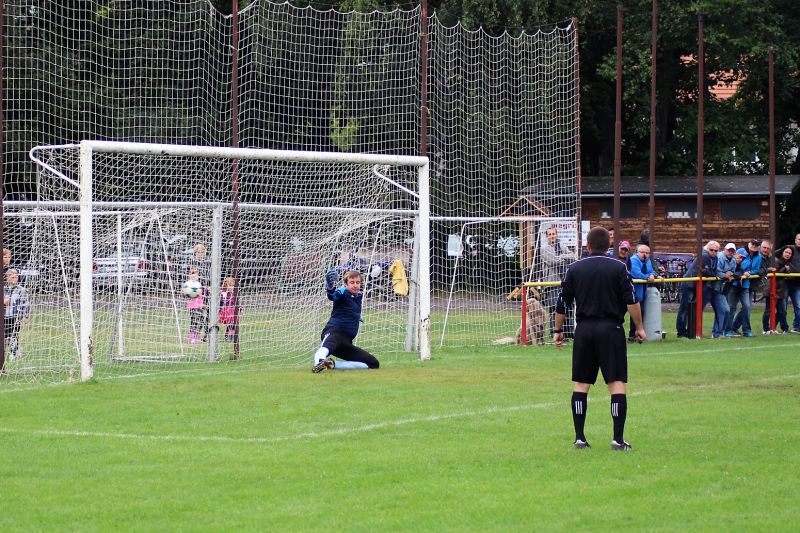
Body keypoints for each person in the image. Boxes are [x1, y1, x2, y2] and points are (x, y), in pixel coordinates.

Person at [554, 226, 645, 451]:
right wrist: (639, 328)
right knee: (616, 383)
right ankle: (617, 439)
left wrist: (557, 331)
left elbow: (562, 303)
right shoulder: (619, 267)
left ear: (587, 245)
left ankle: (579, 438)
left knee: (581, 384)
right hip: (611, 329)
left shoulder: (574, 268)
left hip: (584, 330)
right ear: (609, 246)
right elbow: (632, 300)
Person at [312, 269, 379, 372]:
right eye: (352, 282)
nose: (355, 285)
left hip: (346, 342)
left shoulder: (359, 296)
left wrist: (355, 316)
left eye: (358, 282)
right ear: (346, 284)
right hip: (335, 332)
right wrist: (330, 288)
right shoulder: (342, 292)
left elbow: (349, 306)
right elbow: (333, 296)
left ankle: (330, 364)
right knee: (324, 350)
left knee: (373, 363)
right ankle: (318, 364)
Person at [675, 241, 719, 338]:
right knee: (685, 308)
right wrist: (710, 273)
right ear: (707, 249)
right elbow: (706, 271)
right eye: (711, 250)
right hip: (689, 284)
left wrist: (710, 273)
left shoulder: (715, 258)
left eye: (716, 250)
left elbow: (712, 271)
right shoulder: (704, 256)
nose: (713, 252)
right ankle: (681, 332)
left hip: (697, 285)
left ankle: (689, 331)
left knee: (692, 309)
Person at [540, 225, 575, 337]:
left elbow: (572, 256)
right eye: (549, 234)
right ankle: (554, 332)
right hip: (552, 283)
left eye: (553, 234)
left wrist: (561, 256)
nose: (552, 236)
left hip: (564, 281)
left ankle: (568, 333)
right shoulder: (544, 248)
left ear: (556, 234)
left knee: (568, 306)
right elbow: (552, 261)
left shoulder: (562, 246)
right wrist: (563, 257)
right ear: (546, 237)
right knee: (555, 308)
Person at [727, 241, 761, 337]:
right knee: (731, 307)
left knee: (747, 307)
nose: (754, 246)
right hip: (734, 284)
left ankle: (746, 330)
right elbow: (734, 265)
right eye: (753, 244)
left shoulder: (758, 257)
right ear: (749, 244)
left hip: (745, 285)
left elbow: (756, 270)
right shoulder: (740, 251)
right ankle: (728, 330)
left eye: (756, 245)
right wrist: (743, 272)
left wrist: (749, 272)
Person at [628, 243, 661, 340]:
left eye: (647, 253)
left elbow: (651, 271)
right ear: (637, 252)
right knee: (635, 312)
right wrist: (648, 277)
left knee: (641, 312)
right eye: (642, 252)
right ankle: (632, 334)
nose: (645, 254)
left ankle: (637, 334)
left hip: (643, 291)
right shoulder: (633, 260)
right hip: (634, 290)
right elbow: (636, 273)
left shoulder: (648, 261)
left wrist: (653, 275)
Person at [4, 269, 30, 361]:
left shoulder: (22, 290)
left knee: (13, 335)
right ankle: (17, 349)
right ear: (7, 278)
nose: (15, 279)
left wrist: (26, 316)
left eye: (16, 277)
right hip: (4, 316)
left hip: (15, 316)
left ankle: (13, 354)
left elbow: (26, 303)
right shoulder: (3, 289)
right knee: (6, 336)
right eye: (12, 277)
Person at [712, 243, 737, 338]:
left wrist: (731, 275)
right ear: (724, 250)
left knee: (724, 310)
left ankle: (717, 333)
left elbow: (733, 272)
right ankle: (717, 333)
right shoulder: (720, 257)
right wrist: (725, 275)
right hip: (714, 287)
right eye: (729, 250)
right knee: (724, 309)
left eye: (732, 251)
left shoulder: (733, 260)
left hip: (723, 288)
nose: (730, 252)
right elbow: (716, 271)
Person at [768, 245, 794, 333]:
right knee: (769, 310)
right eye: (786, 252)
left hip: (782, 289)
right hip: (773, 289)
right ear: (782, 252)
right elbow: (776, 273)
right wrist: (785, 269)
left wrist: (787, 270)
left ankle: (783, 328)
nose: (788, 254)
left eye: (790, 253)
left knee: (782, 311)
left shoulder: (788, 263)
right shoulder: (776, 260)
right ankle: (768, 329)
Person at [185, 267, 206, 345]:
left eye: (195, 274)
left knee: (200, 321)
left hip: (200, 305)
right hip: (192, 306)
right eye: (191, 274)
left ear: (198, 276)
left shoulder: (199, 284)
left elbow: (202, 295)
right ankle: (192, 337)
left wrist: (202, 304)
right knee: (194, 321)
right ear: (189, 276)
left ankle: (196, 336)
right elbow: (185, 294)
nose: (193, 275)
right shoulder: (188, 284)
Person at [219, 277, 238, 342]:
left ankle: (229, 336)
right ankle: (229, 336)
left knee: (233, 324)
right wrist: (220, 310)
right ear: (226, 285)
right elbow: (220, 303)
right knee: (230, 324)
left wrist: (240, 308)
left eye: (232, 286)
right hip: (225, 311)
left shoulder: (234, 294)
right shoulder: (223, 294)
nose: (231, 287)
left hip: (232, 311)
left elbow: (236, 302)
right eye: (230, 285)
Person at [788, 233, 800, 333]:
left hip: (797, 284)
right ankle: (771, 328)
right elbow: (776, 257)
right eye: (799, 239)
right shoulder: (789, 249)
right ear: (795, 240)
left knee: (798, 306)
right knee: (781, 308)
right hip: (785, 283)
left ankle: (796, 327)